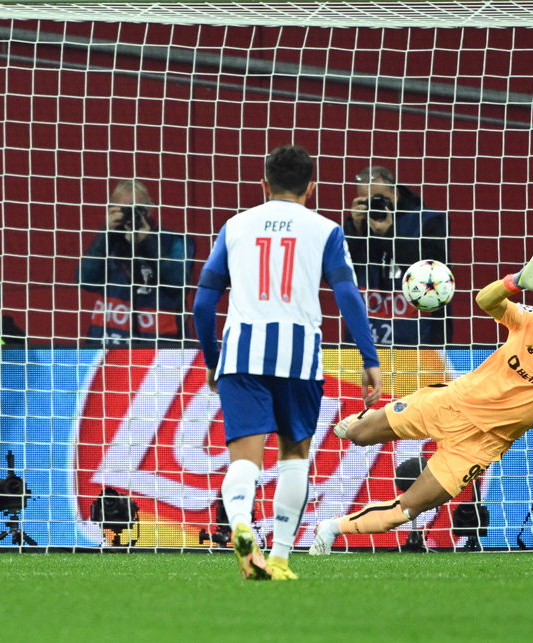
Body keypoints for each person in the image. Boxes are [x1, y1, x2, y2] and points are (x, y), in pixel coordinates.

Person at [311, 248, 533, 553]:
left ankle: (331, 529)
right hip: (450, 402)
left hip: (479, 445)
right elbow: (486, 301)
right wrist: (515, 281)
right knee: (358, 435)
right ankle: (359, 421)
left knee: (405, 510)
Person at [193, 144, 382, 581]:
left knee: (244, 460)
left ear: (264, 184)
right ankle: (279, 557)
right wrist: (368, 356)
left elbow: (204, 302)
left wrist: (211, 357)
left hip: (242, 353)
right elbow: (347, 295)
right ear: (311, 187)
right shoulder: (325, 229)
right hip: (299, 360)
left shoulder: (235, 225)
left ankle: (241, 525)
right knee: (294, 456)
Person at [78, 179, 194, 346]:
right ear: (111, 210)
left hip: (162, 349)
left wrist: (147, 242)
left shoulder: (174, 241)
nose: (130, 215)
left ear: (150, 209)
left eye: (136, 209)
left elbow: (179, 284)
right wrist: (106, 234)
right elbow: (85, 280)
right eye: (124, 210)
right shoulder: (107, 242)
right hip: (108, 346)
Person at [342, 165, 449, 346]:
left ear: (395, 194)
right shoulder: (357, 224)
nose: (373, 205)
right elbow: (342, 275)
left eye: (378, 199)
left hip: (419, 338)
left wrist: (390, 234)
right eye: (365, 200)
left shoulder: (429, 220)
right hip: (364, 337)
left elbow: (437, 275)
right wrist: (355, 231)